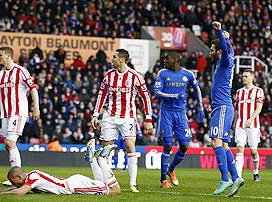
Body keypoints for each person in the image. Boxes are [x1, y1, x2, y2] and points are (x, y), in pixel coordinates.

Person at [90, 49, 153, 193]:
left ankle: (133, 183)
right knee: (106, 149)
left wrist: (148, 119)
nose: (111, 60)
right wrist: (95, 115)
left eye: (114, 57)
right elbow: (101, 95)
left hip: (127, 117)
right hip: (110, 116)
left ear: (122, 60)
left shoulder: (135, 76)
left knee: (130, 145)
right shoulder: (108, 76)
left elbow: (146, 97)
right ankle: (107, 181)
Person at [0, 141, 121, 196]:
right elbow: (15, 189)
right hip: (74, 183)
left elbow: (20, 192)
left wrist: (1, 194)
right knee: (102, 184)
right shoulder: (32, 176)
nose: (14, 184)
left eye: (13, 180)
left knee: (115, 192)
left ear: (20, 177)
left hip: (73, 186)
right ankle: (93, 160)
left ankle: (101, 160)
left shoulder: (33, 177)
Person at [0, 47, 40, 186]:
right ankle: (17, 174)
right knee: (8, 145)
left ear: (7, 56)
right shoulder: (1, 74)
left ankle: (17, 177)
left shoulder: (21, 71)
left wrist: (36, 108)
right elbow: (1, 95)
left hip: (18, 113)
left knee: (10, 143)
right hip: (5, 114)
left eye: (0, 55)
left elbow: (33, 89)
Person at [154, 53, 205, 188]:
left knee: (184, 146)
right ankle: (163, 179)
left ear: (175, 61)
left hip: (180, 114)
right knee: (168, 145)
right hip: (166, 113)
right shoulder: (162, 73)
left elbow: (197, 89)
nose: (164, 61)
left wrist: (201, 108)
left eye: (167, 59)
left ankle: (171, 170)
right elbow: (157, 92)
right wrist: (174, 95)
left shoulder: (187, 74)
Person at [209, 21, 244, 197]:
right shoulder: (229, 58)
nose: (210, 52)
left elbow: (224, 47)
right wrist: (228, 40)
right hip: (223, 106)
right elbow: (229, 49)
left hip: (222, 107)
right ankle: (236, 177)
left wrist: (220, 32)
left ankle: (225, 179)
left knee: (215, 141)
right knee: (223, 144)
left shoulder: (224, 61)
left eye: (211, 49)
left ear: (219, 51)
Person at [234, 69, 264, 182]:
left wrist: (251, 119)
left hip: (253, 125)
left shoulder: (258, 91)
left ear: (252, 77)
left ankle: (256, 171)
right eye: (243, 76)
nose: (243, 78)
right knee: (240, 148)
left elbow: (259, 107)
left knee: (253, 151)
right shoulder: (238, 92)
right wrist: (234, 122)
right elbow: (236, 109)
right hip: (240, 125)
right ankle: (238, 177)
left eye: (246, 76)